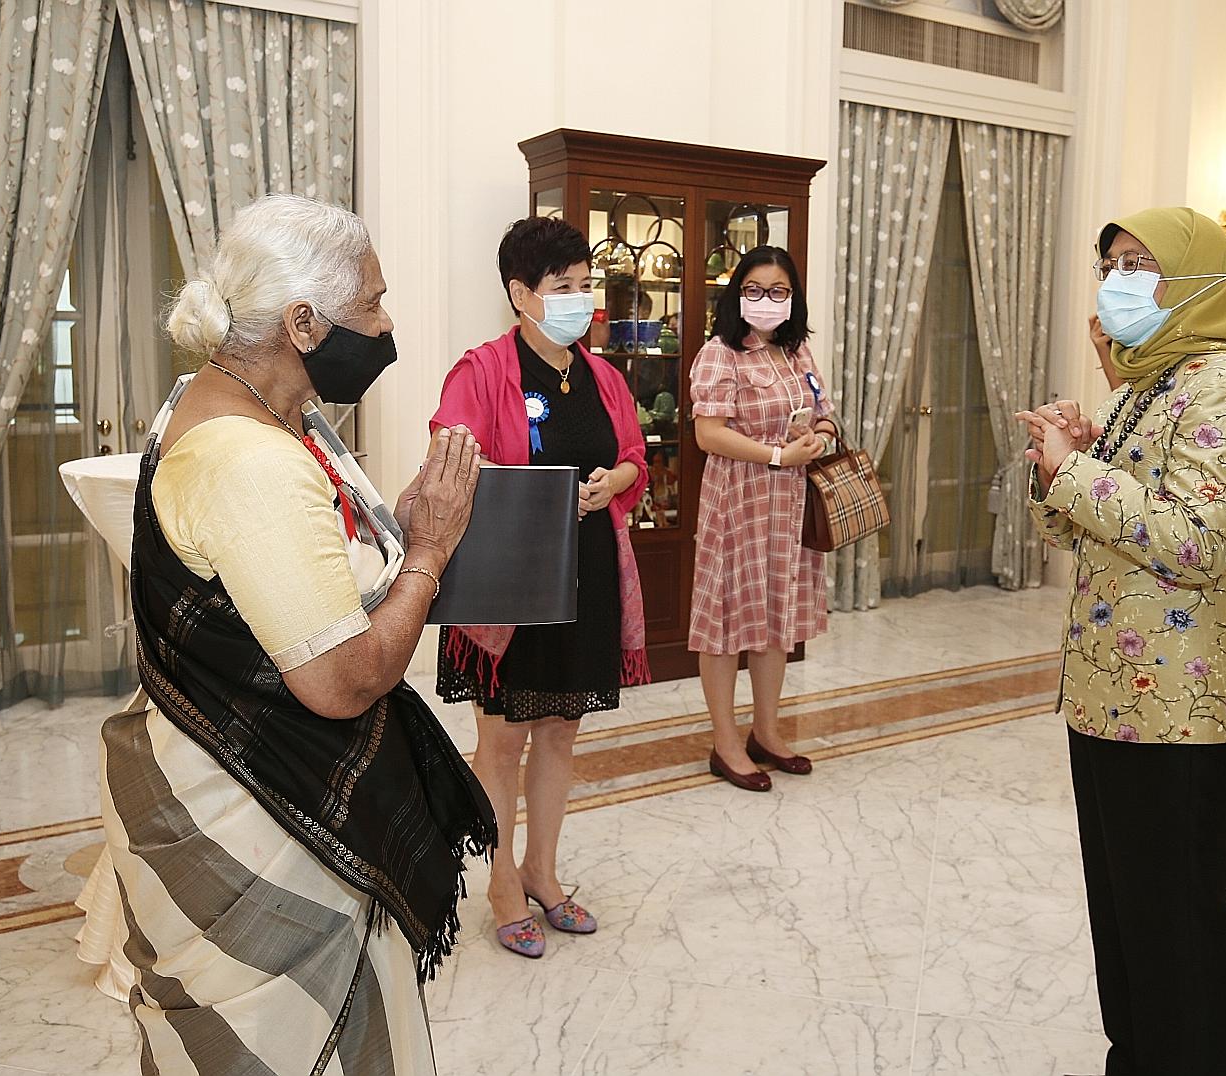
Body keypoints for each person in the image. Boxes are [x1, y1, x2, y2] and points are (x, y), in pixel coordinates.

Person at [104, 194, 495, 1075]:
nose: (388, 324)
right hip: (259, 809)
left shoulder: (229, 405)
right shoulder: (253, 460)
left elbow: (281, 579)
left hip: (214, 765)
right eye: (374, 303)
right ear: (304, 321)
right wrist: (428, 552)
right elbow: (342, 680)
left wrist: (381, 543)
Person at [1016, 207, 1226, 1076]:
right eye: (1111, 263)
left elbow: (1200, 542)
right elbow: (1087, 532)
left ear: (1199, 276)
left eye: (1140, 263)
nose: (1118, 280)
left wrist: (1078, 471)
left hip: (1184, 707)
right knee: (1128, 920)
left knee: (1178, 932)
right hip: (1111, 693)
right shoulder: (1146, 380)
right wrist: (1064, 463)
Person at [430, 216, 650, 958]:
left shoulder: (603, 375)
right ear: (521, 293)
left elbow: (633, 462)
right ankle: (499, 883)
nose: (580, 301)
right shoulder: (483, 371)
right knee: (502, 741)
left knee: (561, 729)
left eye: (586, 287)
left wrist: (613, 480)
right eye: (563, 288)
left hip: (586, 575)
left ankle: (543, 872)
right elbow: (451, 459)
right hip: (512, 585)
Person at [689, 245, 837, 792]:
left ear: (792, 297)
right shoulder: (719, 354)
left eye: (779, 291)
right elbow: (709, 434)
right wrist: (777, 454)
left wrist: (817, 438)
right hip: (739, 503)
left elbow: (825, 415)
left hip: (791, 507)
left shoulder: (797, 353)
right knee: (727, 624)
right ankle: (726, 743)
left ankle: (767, 732)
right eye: (755, 290)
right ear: (737, 294)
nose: (767, 301)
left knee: (777, 620)